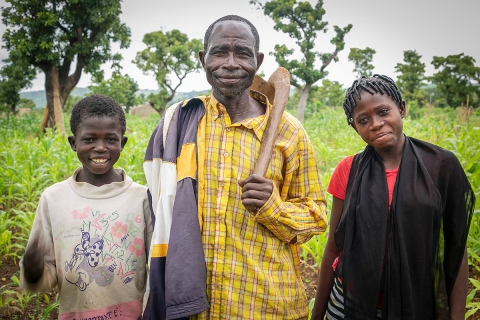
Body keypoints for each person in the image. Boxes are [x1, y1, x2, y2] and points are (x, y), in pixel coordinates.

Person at [141, 15, 327, 320]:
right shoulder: (180, 122)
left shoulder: (288, 132)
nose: (230, 63)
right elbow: (157, 209)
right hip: (194, 309)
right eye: (219, 52)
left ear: (258, 61)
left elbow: (316, 216)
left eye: (242, 53)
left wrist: (273, 207)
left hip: (267, 306)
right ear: (203, 59)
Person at [311, 74, 474, 319]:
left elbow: (456, 251)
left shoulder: (441, 166)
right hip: (349, 302)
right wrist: (317, 315)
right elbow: (334, 248)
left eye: (383, 111)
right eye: (363, 119)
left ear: (402, 108)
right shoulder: (349, 170)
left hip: (415, 302)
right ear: (355, 127)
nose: (375, 124)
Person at [20, 95, 153, 319]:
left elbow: (157, 266)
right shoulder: (53, 198)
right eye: (90, 139)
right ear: (74, 143)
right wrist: (34, 269)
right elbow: (44, 279)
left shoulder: (142, 198)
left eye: (111, 139)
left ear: (123, 143)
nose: (100, 147)